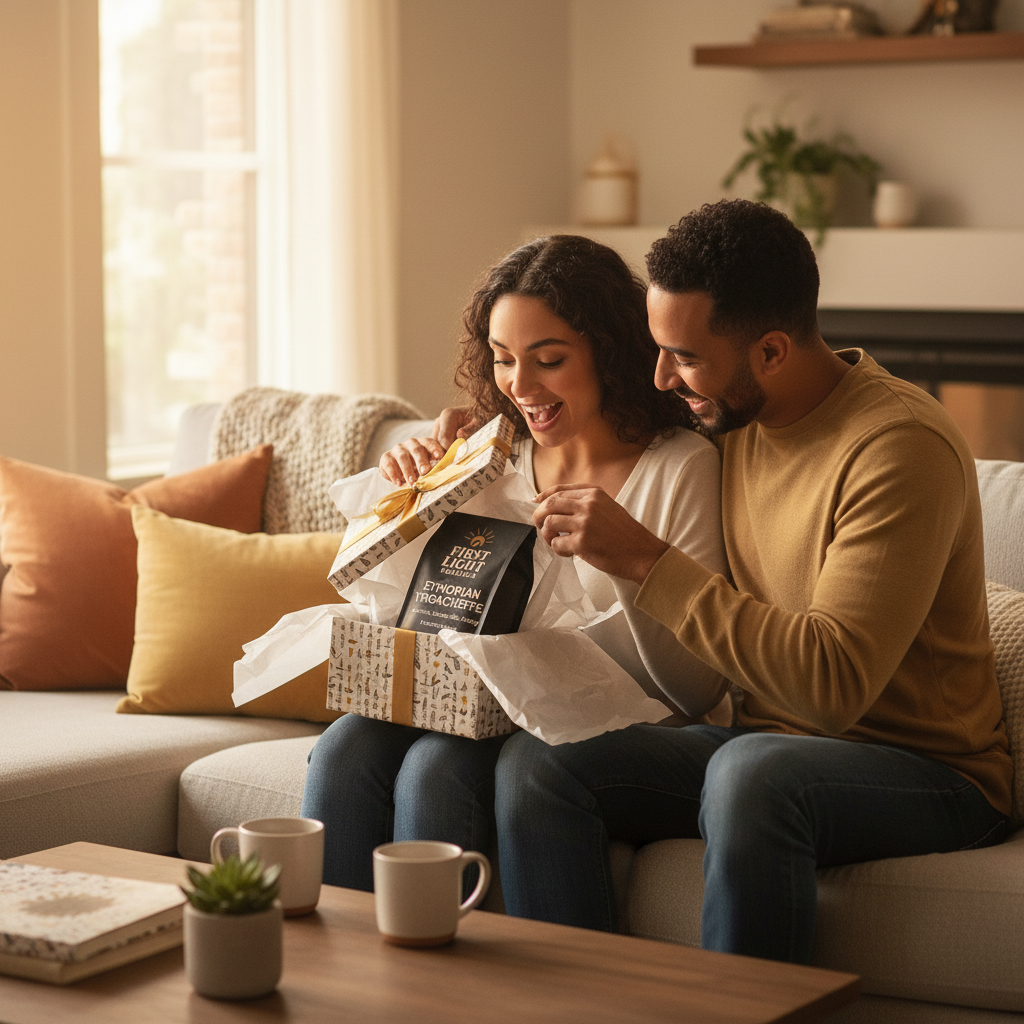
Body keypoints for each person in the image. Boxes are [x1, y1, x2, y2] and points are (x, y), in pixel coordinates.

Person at [480, 199, 1011, 964]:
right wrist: (474, 433)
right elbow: (592, 415)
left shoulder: (898, 447)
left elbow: (833, 686)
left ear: (770, 351)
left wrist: (647, 562)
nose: (663, 375)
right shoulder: (729, 413)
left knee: (752, 772)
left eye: (685, 357)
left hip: (930, 772)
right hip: (762, 743)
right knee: (544, 763)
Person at [300, 234, 730, 891]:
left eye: (548, 359)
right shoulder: (489, 460)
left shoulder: (679, 467)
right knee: (344, 748)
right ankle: (339, 979)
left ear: (610, 351)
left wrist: (620, 556)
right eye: (503, 360)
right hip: (484, 704)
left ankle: (446, 981)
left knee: (435, 770)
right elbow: (418, 619)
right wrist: (415, 501)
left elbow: (696, 692)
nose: (520, 386)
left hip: (620, 721)